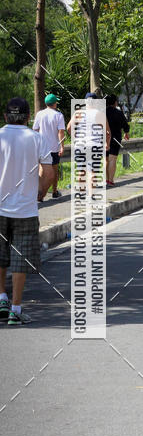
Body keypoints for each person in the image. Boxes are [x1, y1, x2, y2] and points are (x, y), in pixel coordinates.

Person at [0, 97, 44, 325]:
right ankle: (15, 310)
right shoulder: (36, 138)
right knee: (19, 259)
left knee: (0, 256)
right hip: (26, 210)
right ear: (28, 117)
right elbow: (49, 171)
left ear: (6, 116)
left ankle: (1, 299)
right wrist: (41, 192)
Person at [33, 93, 65, 201]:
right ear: (55, 103)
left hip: (41, 147)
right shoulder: (58, 115)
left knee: (41, 171)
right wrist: (62, 146)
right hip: (54, 147)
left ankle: (39, 193)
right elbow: (61, 132)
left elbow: (35, 130)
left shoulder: (39, 114)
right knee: (54, 170)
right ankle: (54, 191)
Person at [105, 94, 130, 186]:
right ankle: (111, 180)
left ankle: (106, 179)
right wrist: (126, 132)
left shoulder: (102, 112)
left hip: (104, 138)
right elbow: (125, 125)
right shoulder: (118, 112)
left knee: (106, 159)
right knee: (112, 159)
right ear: (115, 102)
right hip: (115, 138)